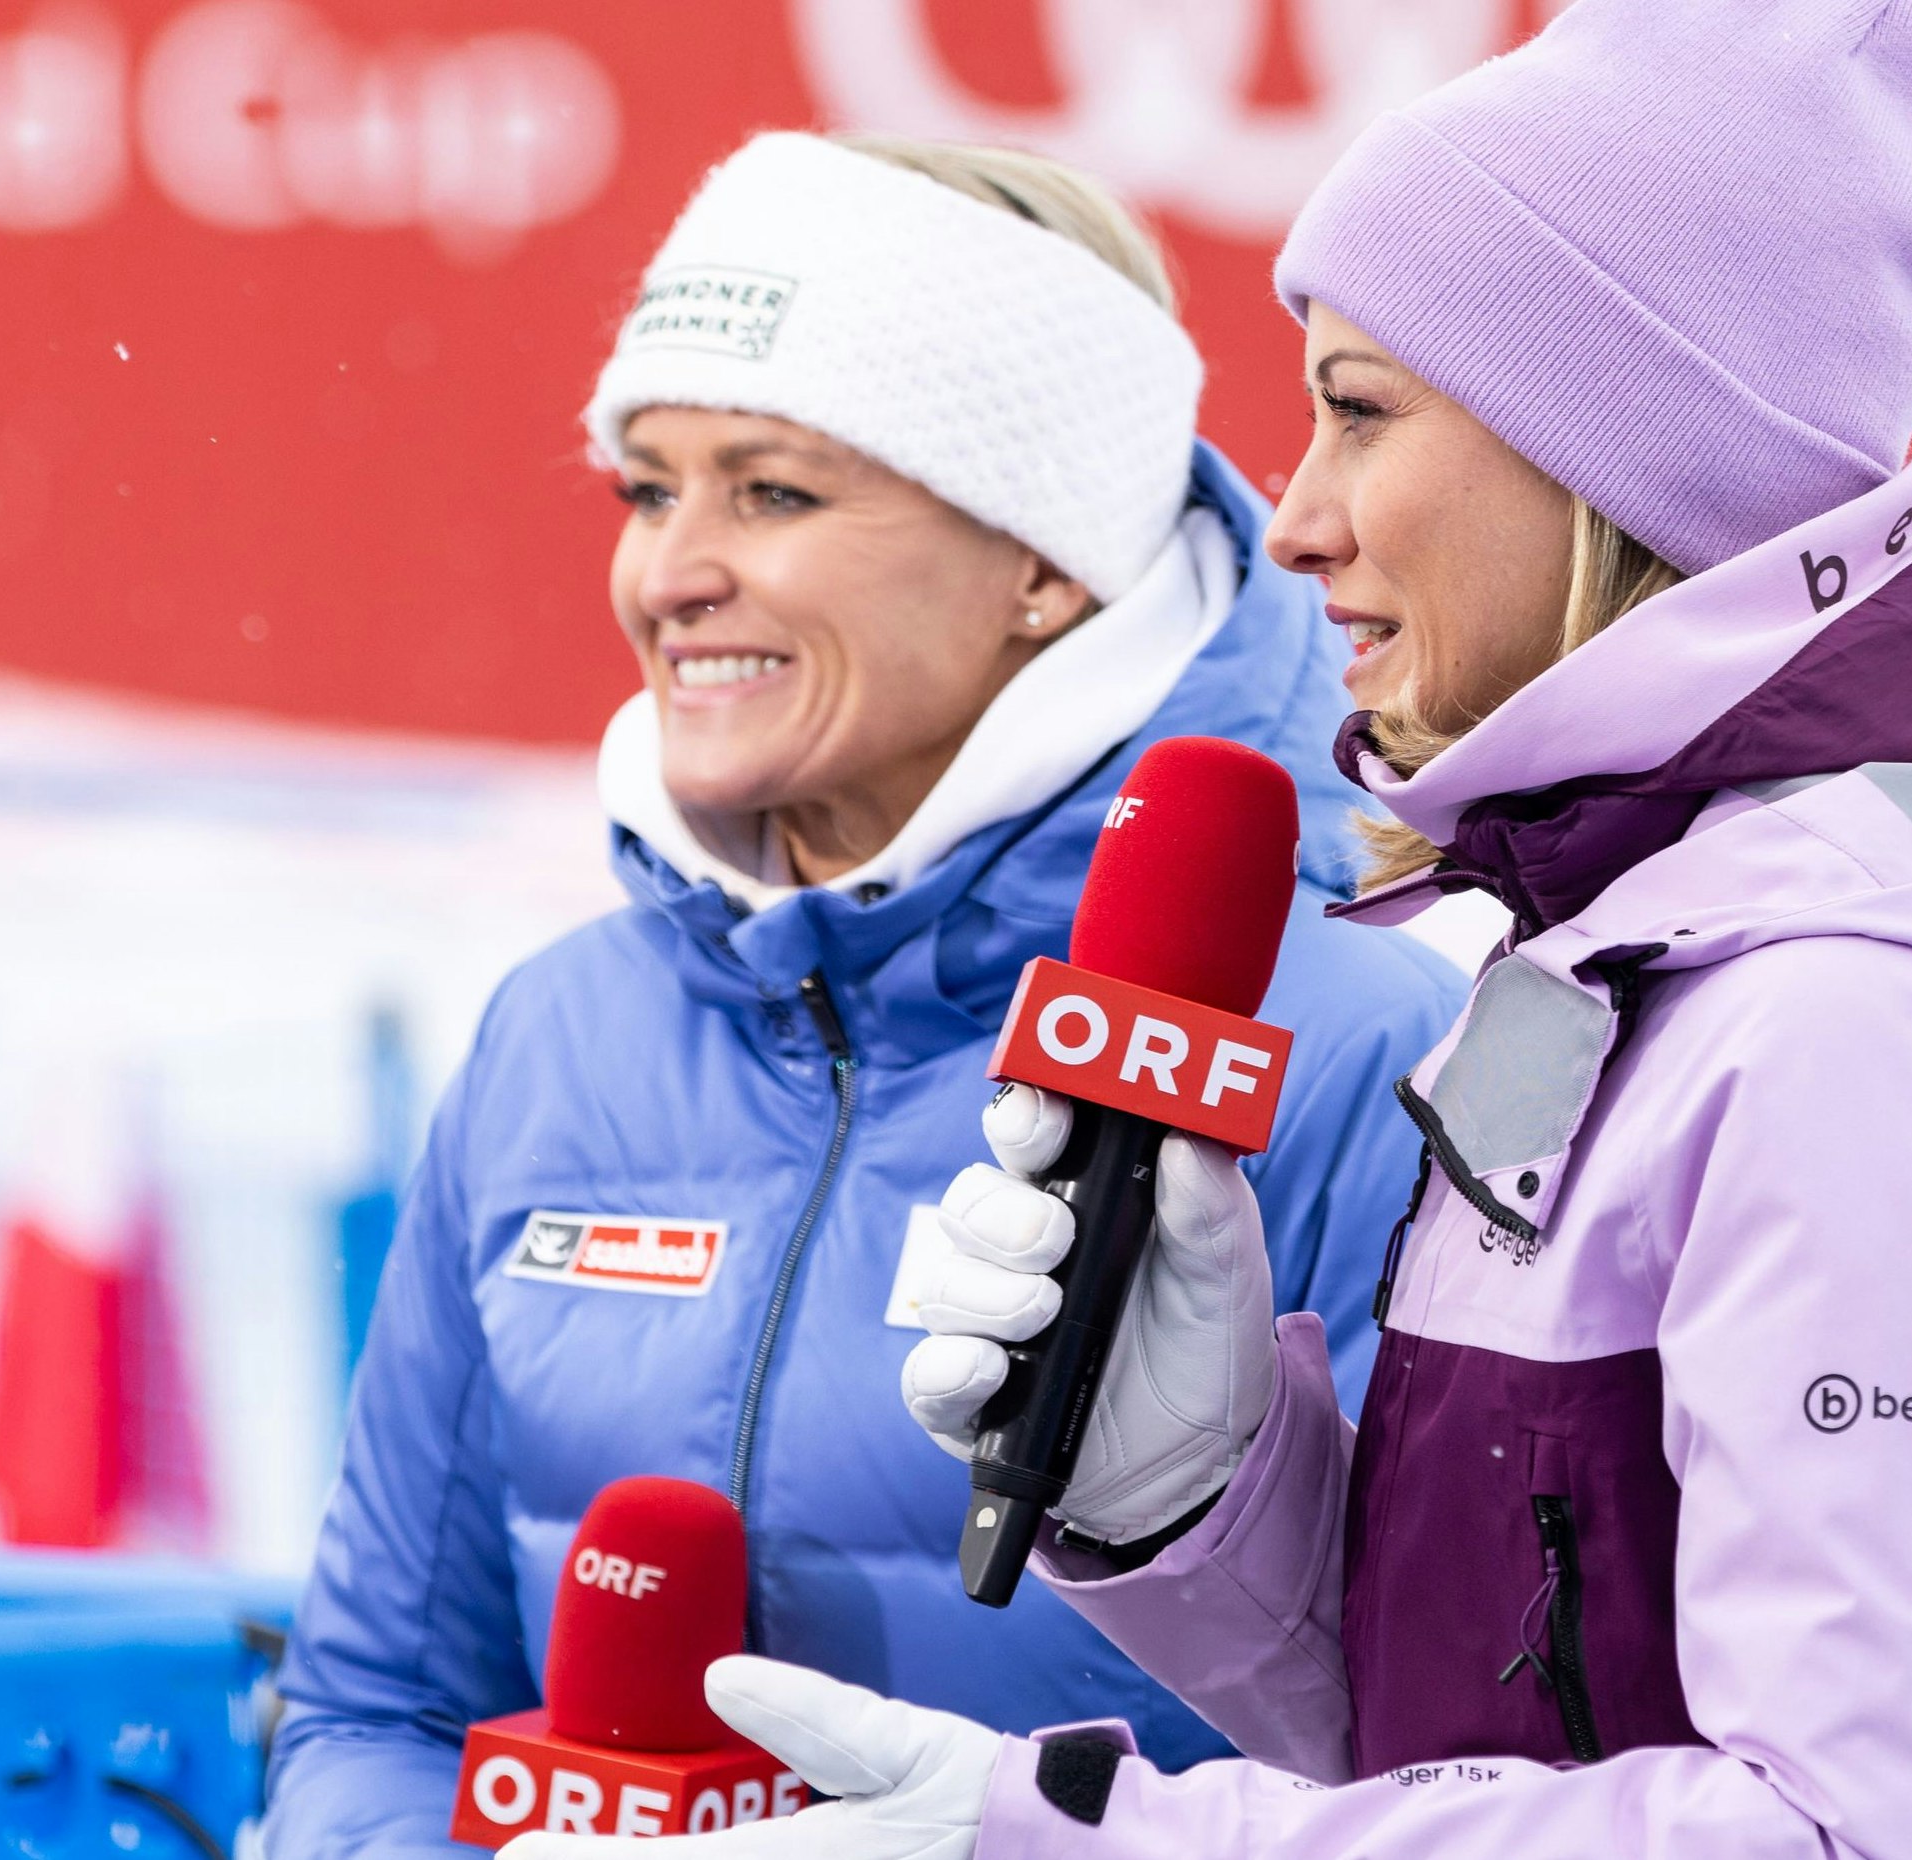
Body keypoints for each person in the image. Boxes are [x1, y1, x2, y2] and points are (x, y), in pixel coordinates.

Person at [501, 3, 1912, 1857]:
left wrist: (1085, 1843)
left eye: (1358, 410)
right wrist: (1194, 1494)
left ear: (1612, 460)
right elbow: (1484, 1735)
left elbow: (1851, 1839)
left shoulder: (1870, 1038)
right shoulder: (1632, 957)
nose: (1293, 518)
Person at [264, 133, 1464, 1858]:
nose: (668, 573)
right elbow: (378, 1710)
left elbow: (1449, 1773)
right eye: (645, 489)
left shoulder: (1352, 1050)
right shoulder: (562, 1030)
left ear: (1040, 563)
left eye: (772, 492)